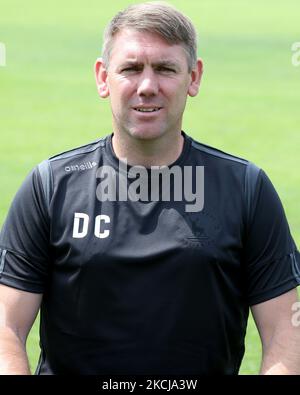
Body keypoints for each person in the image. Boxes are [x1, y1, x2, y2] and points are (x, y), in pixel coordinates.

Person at [0, 1, 299, 375]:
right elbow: (6, 328)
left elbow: (284, 334)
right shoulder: (49, 186)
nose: (147, 86)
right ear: (102, 77)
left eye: (165, 69)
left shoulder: (246, 189)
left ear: (194, 77)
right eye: (130, 68)